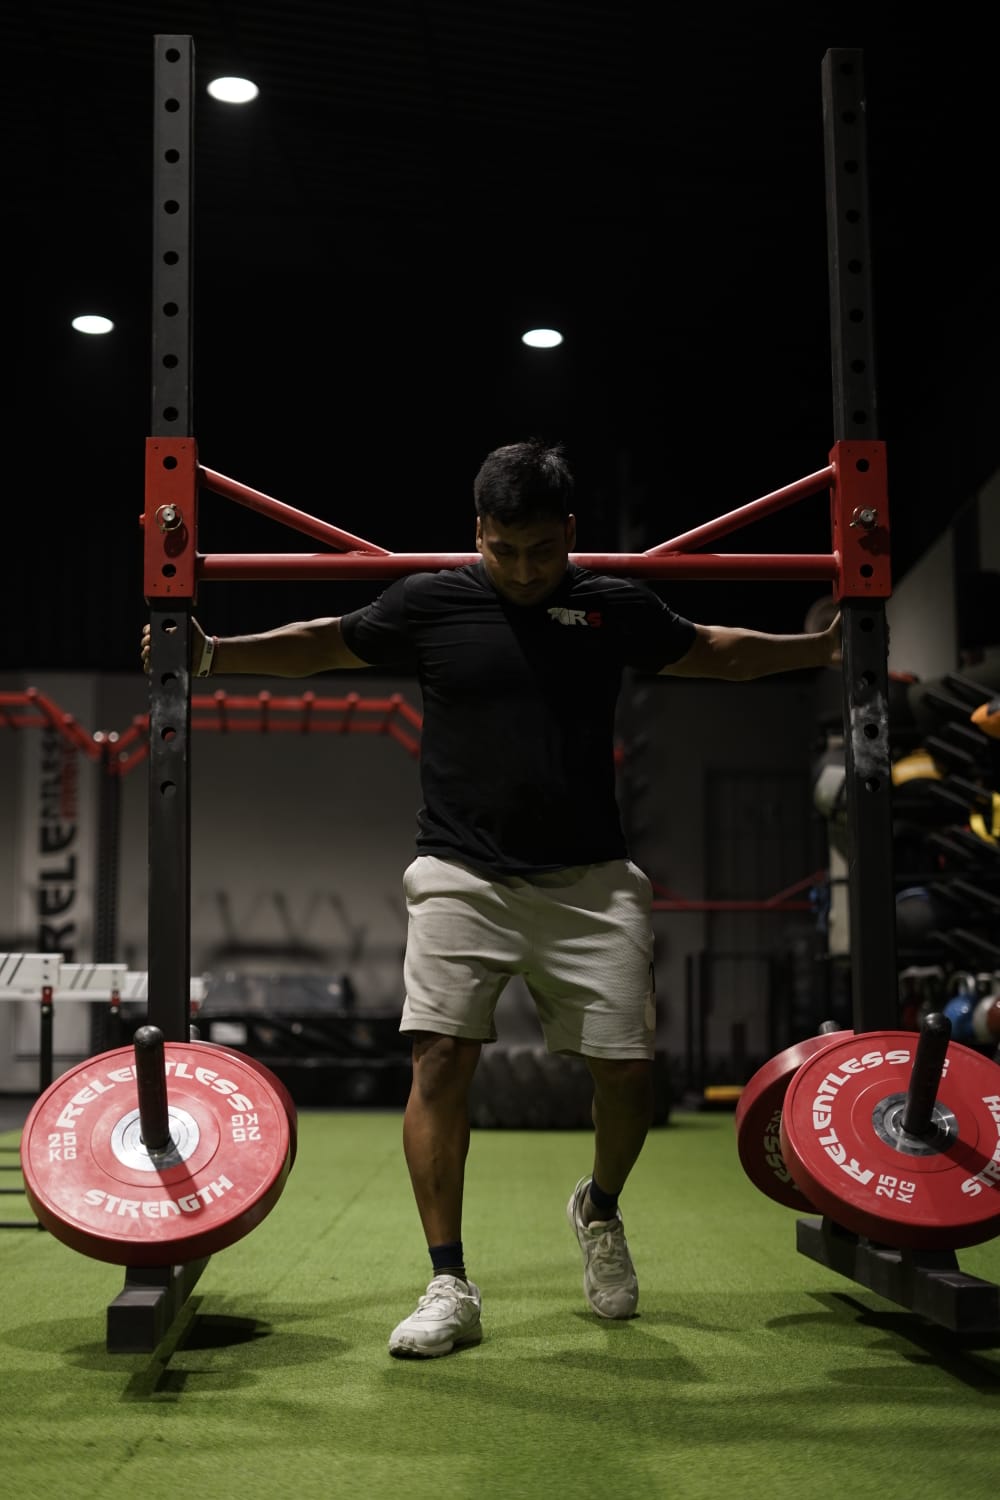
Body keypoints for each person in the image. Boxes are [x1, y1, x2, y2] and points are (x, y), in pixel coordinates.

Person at [141, 438, 841, 1358]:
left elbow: (712, 651)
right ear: (478, 532)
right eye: (503, 550)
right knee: (440, 1061)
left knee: (628, 1074)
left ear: (570, 535)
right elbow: (328, 643)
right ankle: (448, 1282)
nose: (521, 571)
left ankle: (598, 1209)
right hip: (460, 874)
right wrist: (214, 654)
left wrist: (825, 648)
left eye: (541, 552)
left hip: (591, 882)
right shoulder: (433, 601)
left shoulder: (608, 605)